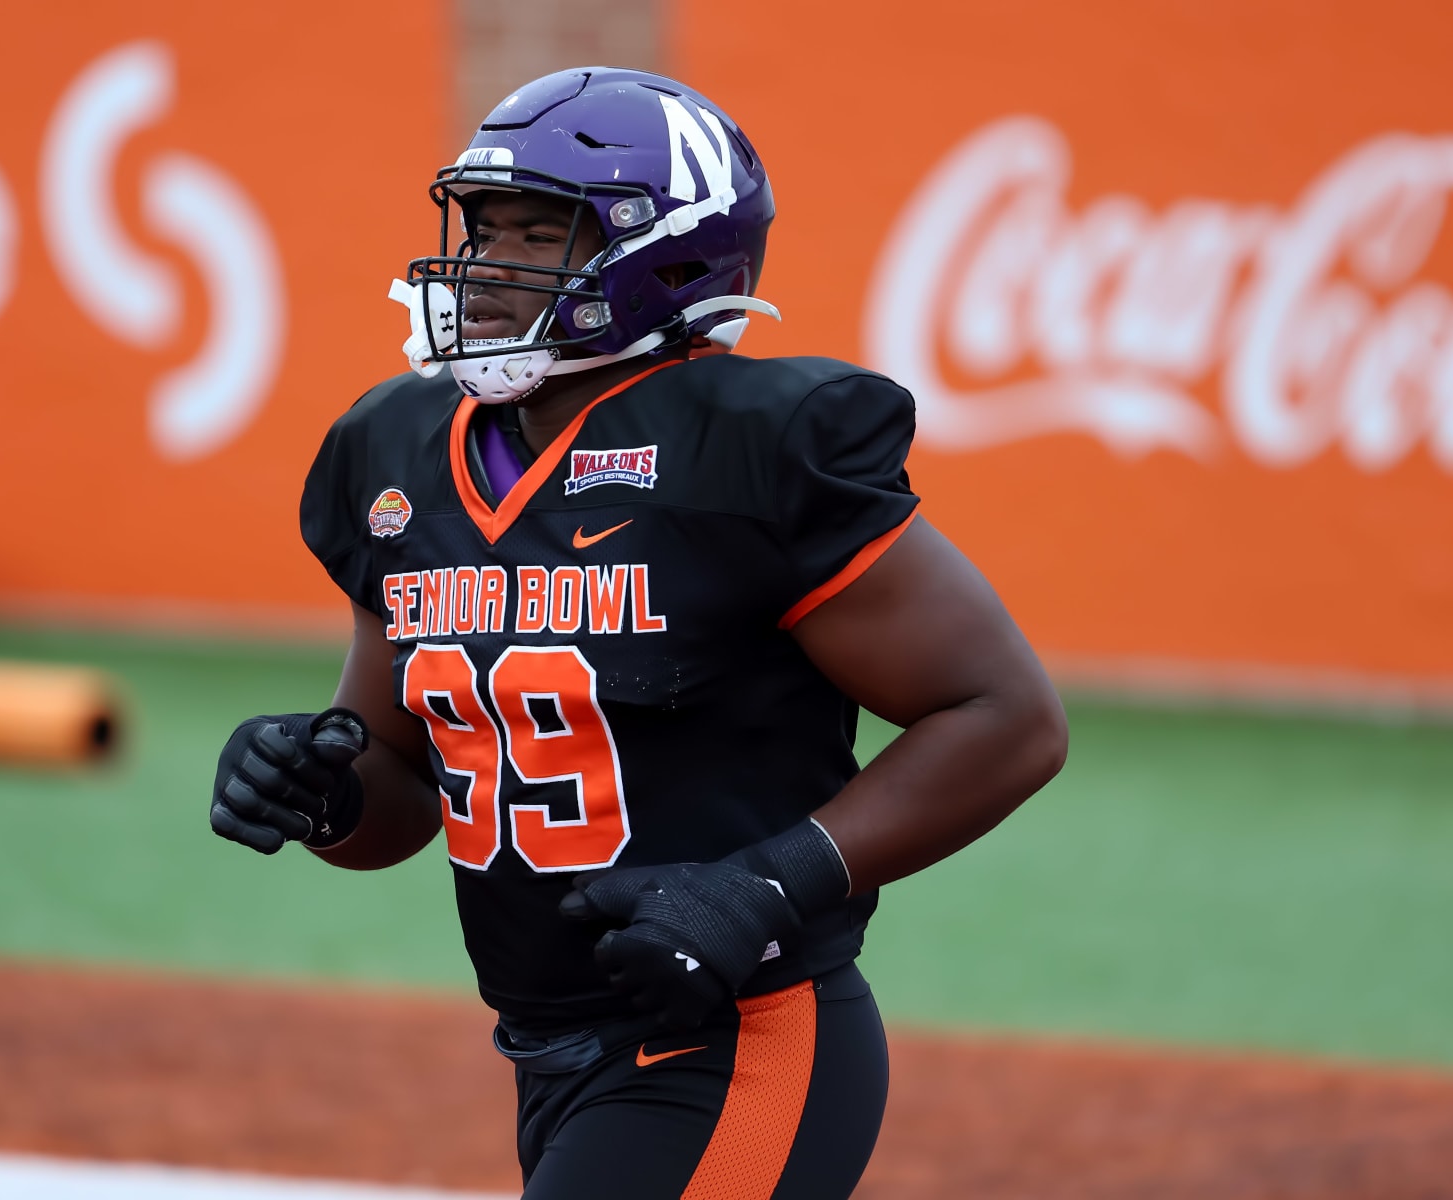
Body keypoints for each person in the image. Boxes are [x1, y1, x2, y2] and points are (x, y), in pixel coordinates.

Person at [209, 67, 1067, 1200]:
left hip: (741, 1037)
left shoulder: (752, 441)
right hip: (545, 1047)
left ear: (664, 257)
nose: (484, 268)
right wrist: (319, 787)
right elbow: (398, 799)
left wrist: (764, 886)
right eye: (484, 227)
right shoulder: (396, 450)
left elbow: (1006, 719)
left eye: (538, 234)